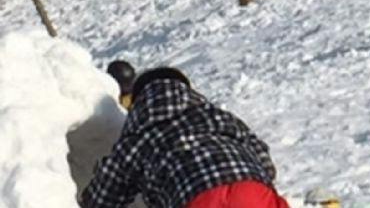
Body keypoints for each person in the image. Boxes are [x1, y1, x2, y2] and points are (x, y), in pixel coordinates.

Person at [77, 66, 283, 208]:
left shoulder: (139, 139)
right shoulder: (219, 117)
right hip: (254, 191)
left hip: (197, 200)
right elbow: (263, 160)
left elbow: (103, 198)